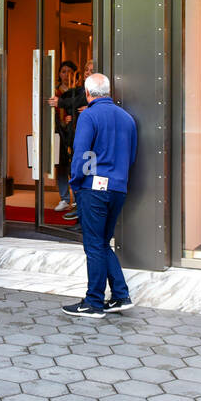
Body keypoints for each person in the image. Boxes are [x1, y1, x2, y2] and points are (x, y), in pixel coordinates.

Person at [61, 74, 136, 318]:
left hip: (93, 188)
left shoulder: (89, 116)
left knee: (93, 244)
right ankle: (120, 295)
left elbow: (82, 154)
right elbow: (131, 156)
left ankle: (93, 301)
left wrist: (75, 182)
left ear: (88, 93)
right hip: (118, 188)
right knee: (103, 243)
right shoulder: (127, 118)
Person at [48, 61, 87, 221]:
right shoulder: (57, 90)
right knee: (61, 164)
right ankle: (65, 198)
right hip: (60, 131)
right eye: (63, 71)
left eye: (69, 71)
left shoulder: (80, 89)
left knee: (74, 166)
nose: (66, 75)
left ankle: (78, 202)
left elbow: (78, 104)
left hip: (73, 130)